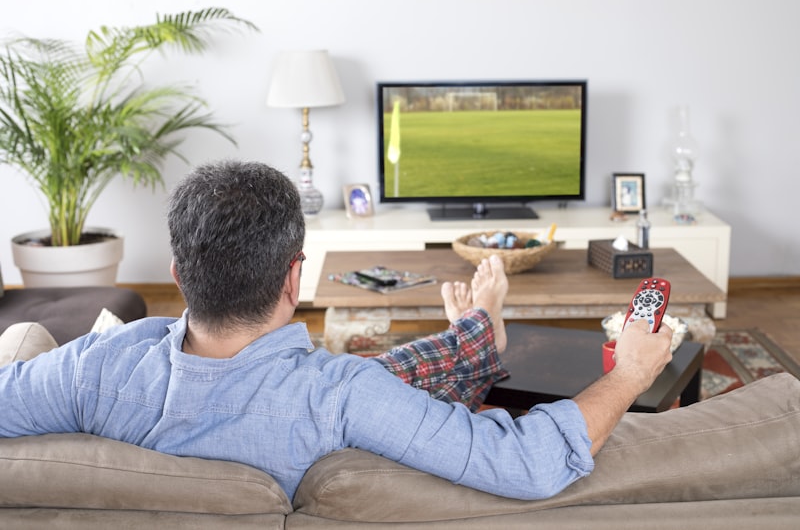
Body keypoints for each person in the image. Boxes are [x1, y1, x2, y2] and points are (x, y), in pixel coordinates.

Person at [0, 160, 717, 502]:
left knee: (399, 365)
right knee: (391, 373)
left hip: (258, 392)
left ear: (179, 274)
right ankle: (480, 334)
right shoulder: (341, 393)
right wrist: (630, 371)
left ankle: (476, 333)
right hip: (323, 400)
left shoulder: (95, 366)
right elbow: (525, 462)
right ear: (295, 277)